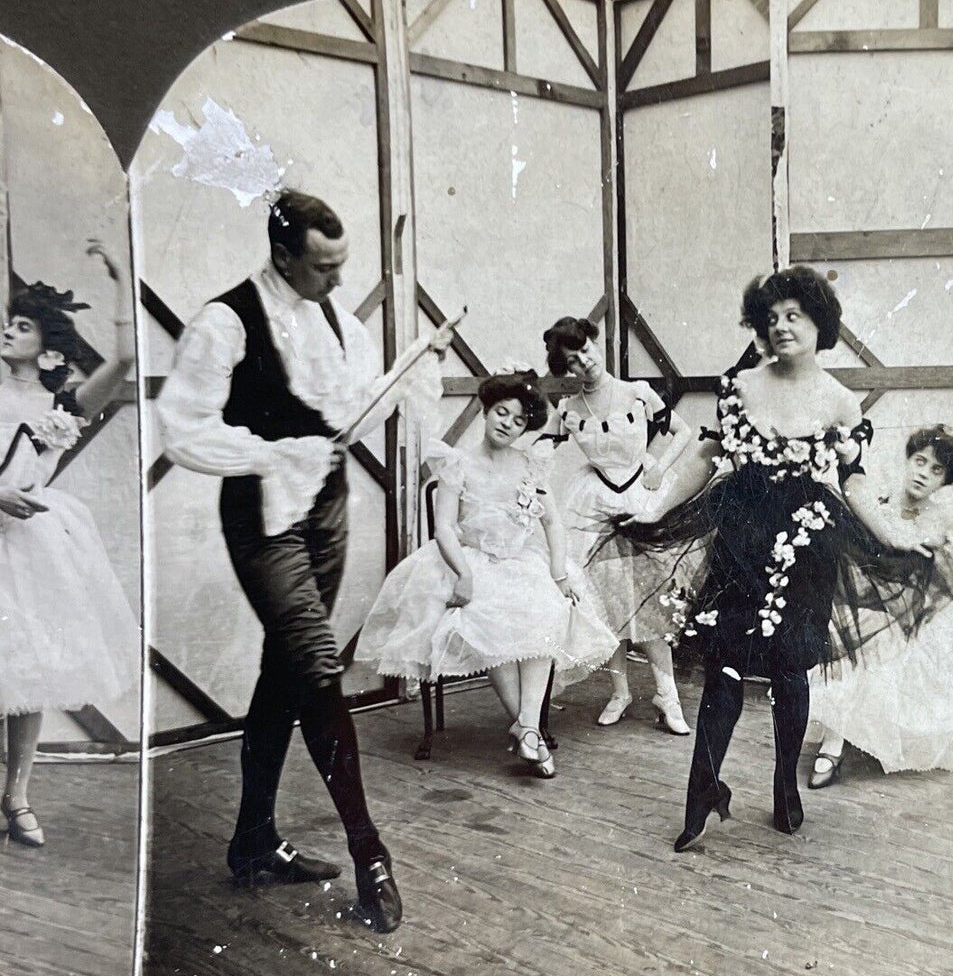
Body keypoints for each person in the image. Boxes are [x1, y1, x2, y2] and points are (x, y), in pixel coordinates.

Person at [156, 189, 452, 933]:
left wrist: (413, 370)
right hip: (262, 516)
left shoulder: (330, 316)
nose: (336, 282)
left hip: (323, 508)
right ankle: (369, 851)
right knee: (318, 665)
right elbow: (181, 431)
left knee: (285, 671)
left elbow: (354, 410)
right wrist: (267, 451)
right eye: (323, 268)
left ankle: (253, 840)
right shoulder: (224, 321)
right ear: (282, 255)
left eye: (342, 266)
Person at [590, 266, 952, 853]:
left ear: (819, 325)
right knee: (724, 666)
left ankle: (786, 786)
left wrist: (888, 537)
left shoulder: (839, 401)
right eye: (772, 318)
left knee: (790, 668)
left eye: (795, 316)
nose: (782, 327)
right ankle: (701, 791)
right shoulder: (740, 386)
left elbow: (854, 481)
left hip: (805, 540)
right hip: (742, 532)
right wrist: (655, 509)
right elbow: (706, 457)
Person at [355, 369, 617, 778]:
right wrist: (462, 573)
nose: (507, 425)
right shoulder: (457, 463)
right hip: (471, 560)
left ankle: (527, 728)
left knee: (548, 608)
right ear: (486, 409)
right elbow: (443, 528)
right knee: (485, 616)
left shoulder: (530, 463)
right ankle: (530, 733)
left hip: (520, 560)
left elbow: (552, 523)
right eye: (501, 413)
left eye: (518, 421)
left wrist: (557, 571)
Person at [0, 243, 140, 847]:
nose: (8, 330)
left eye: (23, 325)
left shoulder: (64, 406)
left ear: (50, 346)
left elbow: (128, 359)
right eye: (9, 322)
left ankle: (17, 794)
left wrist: (121, 282)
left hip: (28, 543)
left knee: (27, 669)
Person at [808, 424, 953, 784]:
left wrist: (943, 548)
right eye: (920, 461)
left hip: (915, 611)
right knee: (855, 632)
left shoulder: (948, 520)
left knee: (911, 643)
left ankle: (857, 738)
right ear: (908, 460)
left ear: (944, 481)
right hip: (869, 602)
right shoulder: (876, 502)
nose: (923, 474)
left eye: (935, 470)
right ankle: (833, 744)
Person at [541, 316, 692, 734]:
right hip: (592, 507)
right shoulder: (569, 411)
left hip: (640, 499)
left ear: (595, 343)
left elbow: (684, 431)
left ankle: (668, 695)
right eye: (572, 361)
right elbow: (542, 451)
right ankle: (621, 691)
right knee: (604, 603)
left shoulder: (637, 394)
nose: (584, 362)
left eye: (586, 350)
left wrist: (659, 466)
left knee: (649, 602)